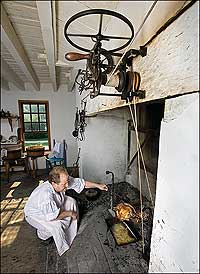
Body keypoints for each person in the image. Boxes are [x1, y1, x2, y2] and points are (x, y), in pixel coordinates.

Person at [24, 166, 108, 256]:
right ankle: (43, 236)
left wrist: (98, 185)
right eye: (64, 184)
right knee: (56, 225)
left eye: (67, 182)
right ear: (54, 184)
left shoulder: (62, 180)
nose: (67, 185)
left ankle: (71, 231)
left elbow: (81, 183)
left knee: (71, 202)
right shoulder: (45, 196)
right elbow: (53, 216)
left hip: (51, 207)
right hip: (36, 215)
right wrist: (70, 213)